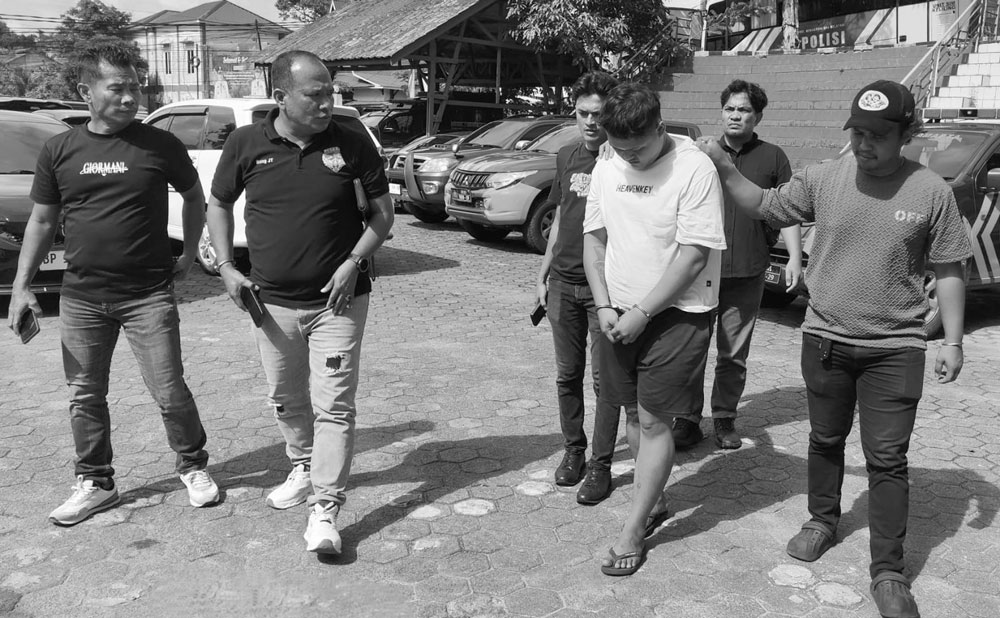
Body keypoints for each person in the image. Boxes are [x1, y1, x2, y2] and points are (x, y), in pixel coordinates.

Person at [696, 80, 971, 618]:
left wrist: (954, 341)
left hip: (895, 348)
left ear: (907, 134)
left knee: (887, 459)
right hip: (825, 339)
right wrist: (725, 168)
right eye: (857, 133)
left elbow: (949, 268)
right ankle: (822, 520)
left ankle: (888, 570)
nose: (864, 144)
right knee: (824, 439)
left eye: (877, 135)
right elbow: (765, 205)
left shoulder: (930, 192)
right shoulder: (824, 177)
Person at [7, 44, 219, 526]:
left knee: (169, 390)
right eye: (117, 88)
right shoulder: (60, 149)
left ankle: (193, 466)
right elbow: (42, 221)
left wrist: (189, 252)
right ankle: (96, 482)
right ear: (86, 91)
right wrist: (22, 286)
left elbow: (194, 197)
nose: (130, 98)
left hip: (148, 295)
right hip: (81, 297)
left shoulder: (159, 145)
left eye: (135, 88)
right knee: (84, 395)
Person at [206, 50, 393, 555]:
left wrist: (353, 260)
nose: (327, 103)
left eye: (331, 92)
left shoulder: (351, 141)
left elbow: (382, 215)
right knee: (286, 398)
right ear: (281, 96)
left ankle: (325, 509)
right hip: (270, 305)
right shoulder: (246, 143)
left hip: (339, 304)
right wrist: (226, 267)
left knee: (335, 406)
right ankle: (304, 466)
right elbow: (218, 203)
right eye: (315, 95)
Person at [583, 83, 726, 576]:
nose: (630, 158)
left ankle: (633, 528)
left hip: (678, 313)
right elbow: (594, 240)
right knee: (630, 408)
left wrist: (642, 312)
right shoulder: (607, 163)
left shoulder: (694, 169)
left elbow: (694, 256)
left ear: (660, 128)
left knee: (653, 419)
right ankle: (656, 497)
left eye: (639, 149)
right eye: (620, 148)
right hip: (618, 310)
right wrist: (604, 304)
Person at [672, 79, 802, 450]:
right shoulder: (701, 153)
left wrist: (795, 257)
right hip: (700, 270)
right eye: (729, 108)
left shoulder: (773, 157)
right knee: (693, 349)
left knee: (733, 353)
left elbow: (787, 210)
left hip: (747, 270)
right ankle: (687, 419)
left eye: (743, 110)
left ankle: (725, 418)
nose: (735, 115)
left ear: (757, 116)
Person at [534, 71, 627, 505]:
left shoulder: (623, 161)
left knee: (606, 382)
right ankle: (574, 450)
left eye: (598, 114)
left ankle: (601, 465)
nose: (590, 122)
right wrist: (542, 273)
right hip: (562, 285)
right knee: (567, 375)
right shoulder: (566, 155)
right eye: (583, 113)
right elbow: (559, 218)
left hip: (605, 291)